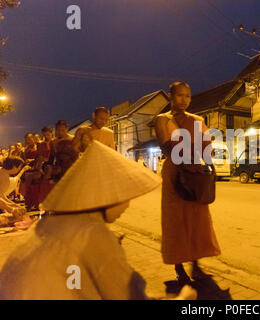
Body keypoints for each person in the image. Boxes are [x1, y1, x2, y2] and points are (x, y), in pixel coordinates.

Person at [0, 141, 196, 300]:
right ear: (105, 196)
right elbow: (127, 295)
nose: (127, 205)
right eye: (124, 196)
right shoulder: (92, 234)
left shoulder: (48, 225)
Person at [155, 81, 221, 286]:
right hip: (176, 172)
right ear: (171, 97)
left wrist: (208, 167)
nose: (184, 100)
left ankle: (196, 264)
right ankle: (179, 267)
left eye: (188, 96)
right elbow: (167, 148)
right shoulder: (162, 120)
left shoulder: (198, 120)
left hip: (195, 172)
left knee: (197, 219)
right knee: (176, 220)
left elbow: (207, 147)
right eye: (180, 95)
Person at [0, 157, 28, 227]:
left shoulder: (2, 172)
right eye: (19, 167)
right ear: (15, 167)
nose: (19, 169)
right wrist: (12, 209)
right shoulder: (4, 177)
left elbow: (1, 196)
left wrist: (14, 205)